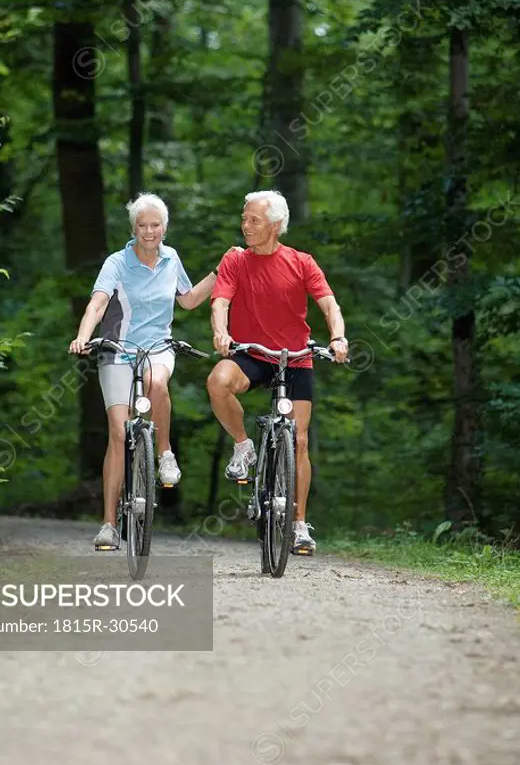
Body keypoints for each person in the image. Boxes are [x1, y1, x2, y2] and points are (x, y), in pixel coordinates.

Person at [69, 192, 227, 552]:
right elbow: (97, 303)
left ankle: (164, 453)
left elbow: (187, 300)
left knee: (157, 381)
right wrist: (83, 337)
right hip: (117, 350)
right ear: (133, 228)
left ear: (165, 228)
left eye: (155, 225)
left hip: (158, 349)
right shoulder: (117, 262)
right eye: (142, 225)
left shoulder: (171, 259)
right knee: (116, 433)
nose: (149, 231)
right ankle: (109, 523)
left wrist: (220, 271)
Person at [206, 189, 348, 556]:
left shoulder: (301, 262)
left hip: (295, 358)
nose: (245, 225)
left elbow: (329, 304)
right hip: (252, 354)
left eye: (253, 219)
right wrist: (221, 332)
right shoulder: (236, 261)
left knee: (299, 439)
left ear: (275, 225)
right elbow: (220, 302)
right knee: (218, 381)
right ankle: (243, 444)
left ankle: (299, 523)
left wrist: (338, 337)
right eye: (244, 218)